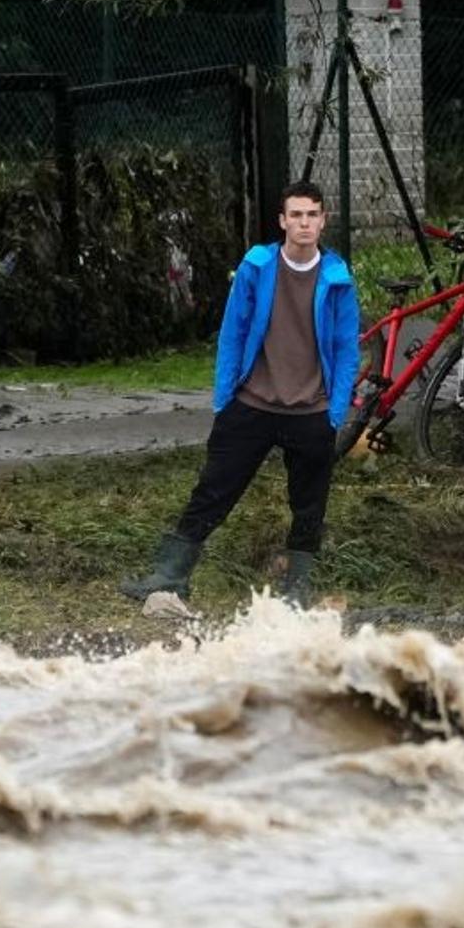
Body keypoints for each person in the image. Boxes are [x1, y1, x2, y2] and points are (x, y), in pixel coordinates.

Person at [118, 181, 360, 608]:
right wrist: (223, 400)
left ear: (323, 221)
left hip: (312, 410)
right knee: (213, 489)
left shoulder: (338, 279)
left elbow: (346, 351)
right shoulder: (257, 267)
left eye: (312, 215)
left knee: (309, 505)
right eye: (296, 215)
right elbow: (233, 333)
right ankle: (170, 575)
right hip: (252, 403)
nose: (304, 223)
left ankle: (296, 590)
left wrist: (334, 413)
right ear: (282, 221)